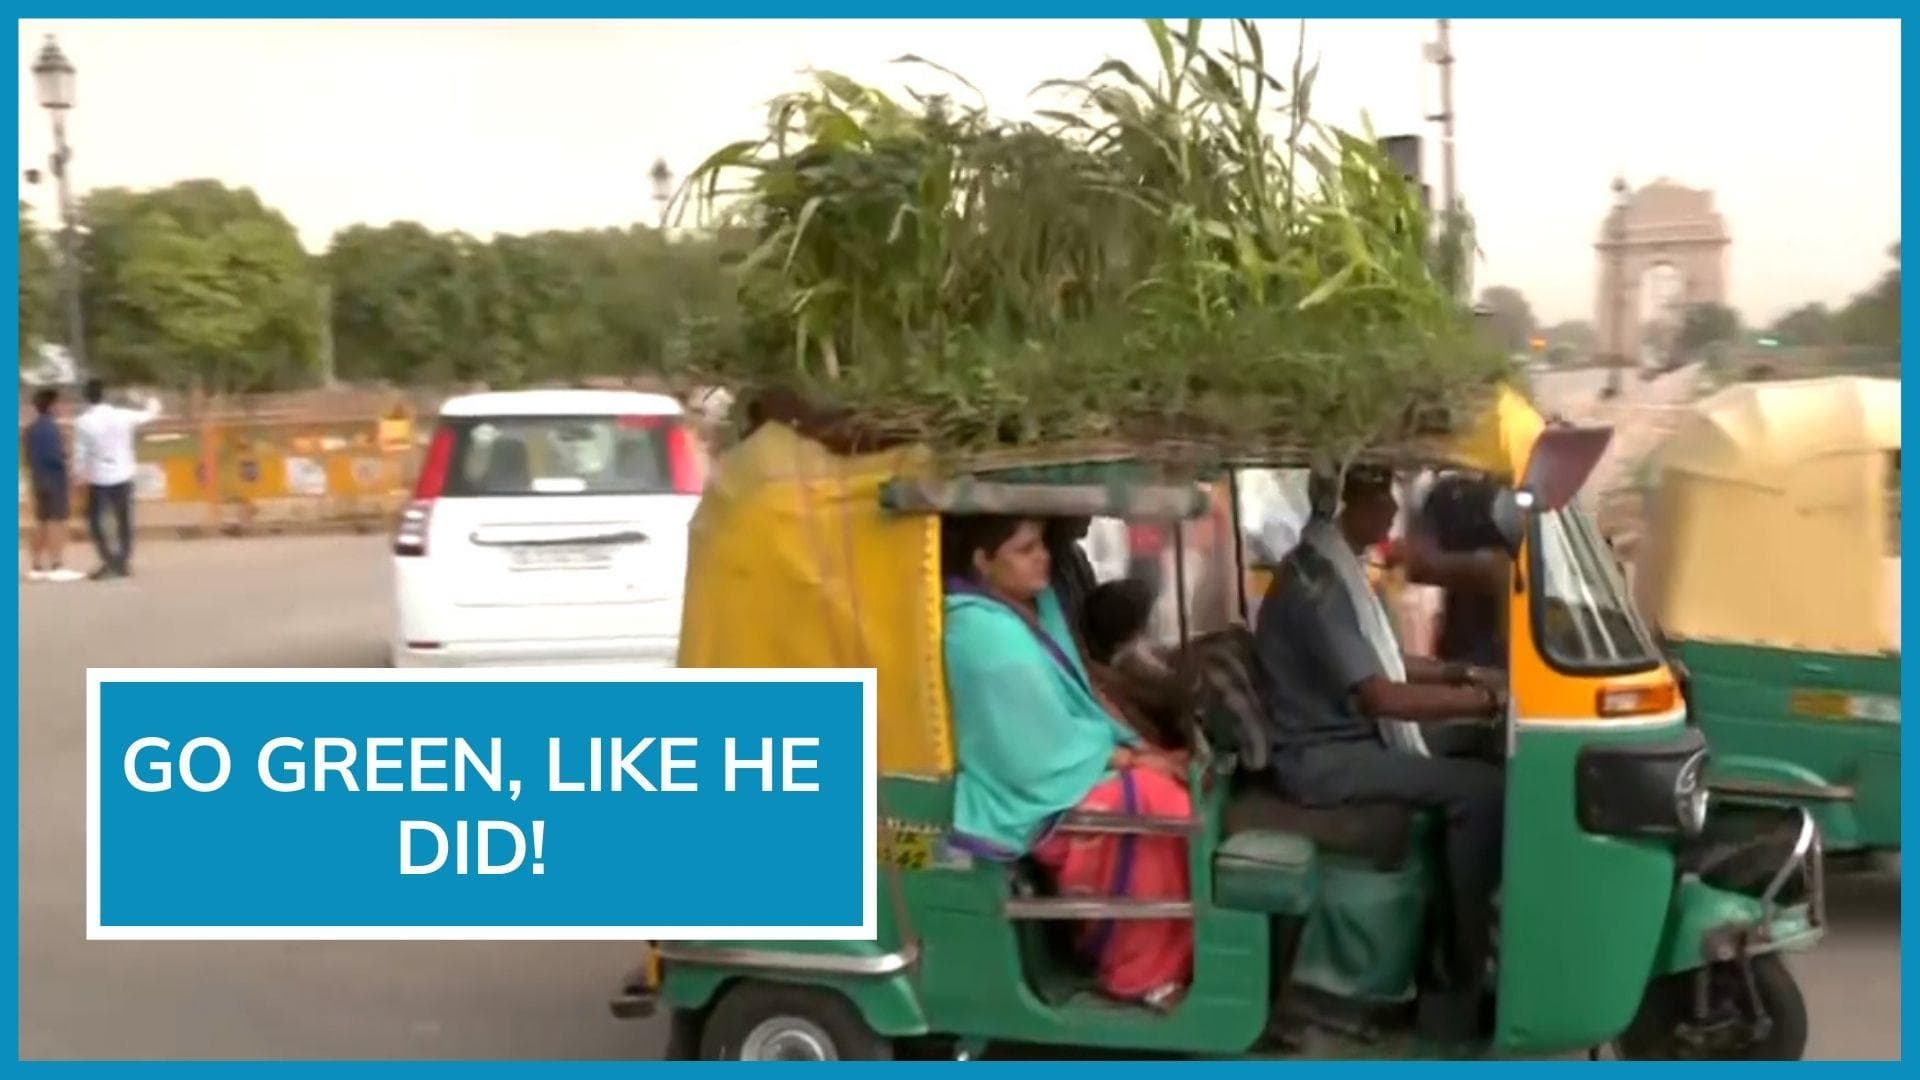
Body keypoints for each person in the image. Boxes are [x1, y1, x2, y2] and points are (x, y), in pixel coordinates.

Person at [1253, 468, 1505, 1040]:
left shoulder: (1333, 567)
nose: (1392, 512)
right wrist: (1487, 701)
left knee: (1484, 748)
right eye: (1381, 498)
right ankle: (1457, 976)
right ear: (1350, 503)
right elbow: (1380, 696)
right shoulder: (1317, 586)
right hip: (1321, 758)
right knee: (1484, 791)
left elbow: (1383, 658)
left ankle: (1467, 933)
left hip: (1348, 736)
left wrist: (1464, 676)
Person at [942, 514, 1193, 1010]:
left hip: (1066, 765)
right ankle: (1139, 973)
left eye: (1041, 545)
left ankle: (1175, 955)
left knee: (1169, 781)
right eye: (1025, 550)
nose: (1042, 557)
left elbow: (1078, 699)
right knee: (1156, 802)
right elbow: (1035, 751)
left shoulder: (1033, 608)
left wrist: (1142, 750)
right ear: (983, 562)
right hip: (1024, 791)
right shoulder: (981, 635)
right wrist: (1132, 761)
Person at [72, 378, 160, 579]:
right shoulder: (122, 415)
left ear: (86, 397)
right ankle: (122, 561)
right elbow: (151, 414)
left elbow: (81, 453)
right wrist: (149, 399)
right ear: (104, 395)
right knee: (124, 520)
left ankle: (109, 559)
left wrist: (78, 477)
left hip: (99, 478)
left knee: (95, 522)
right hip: (123, 474)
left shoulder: (83, 422)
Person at [22, 388, 81, 582]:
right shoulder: (52, 429)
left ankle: (36, 565)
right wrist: (67, 456)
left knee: (41, 521)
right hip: (54, 479)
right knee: (57, 522)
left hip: (37, 478)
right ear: (52, 405)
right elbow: (56, 456)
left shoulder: (30, 430)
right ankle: (57, 564)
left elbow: (27, 457)